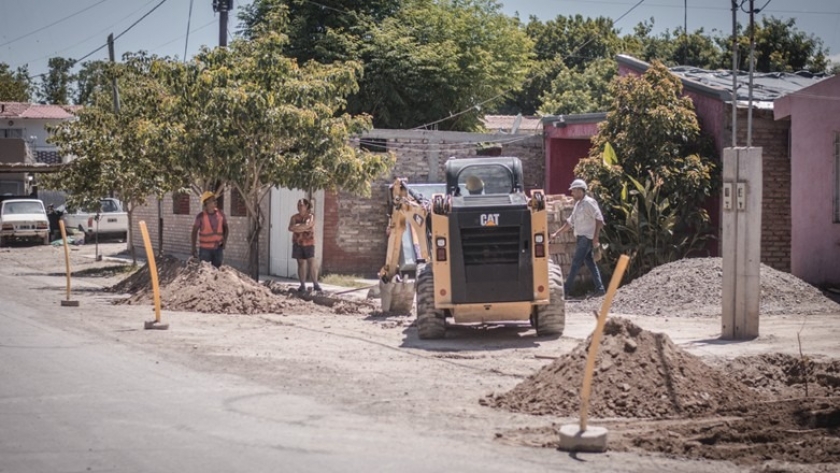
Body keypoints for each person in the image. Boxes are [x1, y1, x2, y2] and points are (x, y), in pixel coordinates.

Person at [551, 178, 605, 298]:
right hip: (581, 238)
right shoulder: (578, 205)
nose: (572, 193)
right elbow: (570, 223)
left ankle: (565, 291)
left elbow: (599, 220)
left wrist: (596, 237)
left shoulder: (589, 203)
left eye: (574, 190)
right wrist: (556, 234)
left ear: (581, 190)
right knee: (590, 263)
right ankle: (600, 289)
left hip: (587, 238)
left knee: (575, 263)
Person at [288, 198, 322, 292]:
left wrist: (298, 227)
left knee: (311, 262)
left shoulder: (310, 216)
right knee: (300, 263)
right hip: (297, 243)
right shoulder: (294, 217)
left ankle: (315, 284)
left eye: (301, 205)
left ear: (307, 206)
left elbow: (308, 225)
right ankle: (302, 285)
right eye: (298, 205)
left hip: (309, 243)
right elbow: (290, 228)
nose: (299, 207)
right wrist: (303, 228)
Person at [191, 191, 229, 269]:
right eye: (213, 200)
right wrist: (193, 248)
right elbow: (194, 232)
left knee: (217, 273)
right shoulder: (200, 217)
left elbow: (226, 228)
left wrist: (224, 241)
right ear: (206, 203)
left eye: (215, 200)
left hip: (218, 249)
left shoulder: (221, 214)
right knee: (205, 272)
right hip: (205, 250)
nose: (215, 202)